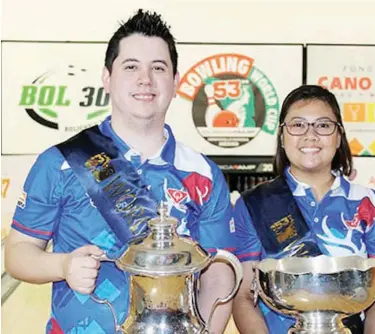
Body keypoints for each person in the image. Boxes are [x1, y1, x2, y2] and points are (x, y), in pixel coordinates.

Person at [5, 9, 236, 334]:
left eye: (159, 68)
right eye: (131, 67)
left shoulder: (203, 173)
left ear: (176, 81)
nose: (146, 79)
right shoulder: (59, 162)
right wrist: (63, 264)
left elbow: (218, 270)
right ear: (106, 78)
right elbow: (17, 254)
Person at [232, 84, 375, 334]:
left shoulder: (368, 202)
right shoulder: (253, 204)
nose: (310, 135)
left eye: (323, 125)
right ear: (282, 136)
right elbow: (244, 296)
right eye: (298, 125)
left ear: (338, 136)